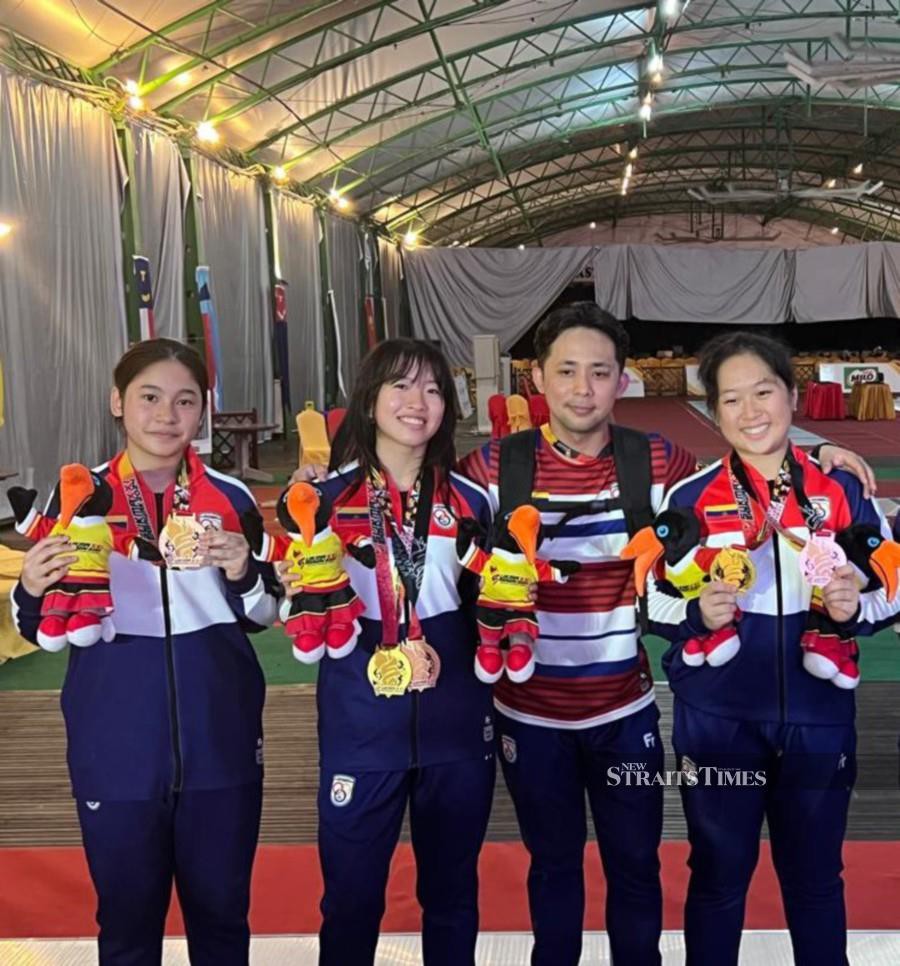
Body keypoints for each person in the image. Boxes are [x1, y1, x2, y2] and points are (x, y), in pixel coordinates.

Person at [456, 303, 877, 966]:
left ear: (621, 380)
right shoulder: (489, 467)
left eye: (599, 372)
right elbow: (416, 501)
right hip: (528, 712)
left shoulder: (658, 461)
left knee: (639, 868)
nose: (582, 387)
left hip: (625, 711)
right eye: (566, 371)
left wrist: (816, 450)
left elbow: (756, 463)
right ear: (537, 377)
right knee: (555, 868)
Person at [11, 338, 278, 966]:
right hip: (116, 750)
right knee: (127, 929)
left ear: (202, 411)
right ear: (117, 402)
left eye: (185, 401)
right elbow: (35, 625)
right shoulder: (74, 498)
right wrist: (28, 586)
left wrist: (244, 571)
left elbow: (265, 615)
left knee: (222, 921)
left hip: (222, 745)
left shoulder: (233, 499)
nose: (166, 416)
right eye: (149, 398)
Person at [646, 331, 900, 966]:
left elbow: (893, 586)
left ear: (792, 395)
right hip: (718, 725)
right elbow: (647, 600)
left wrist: (855, 609)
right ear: (714, 410)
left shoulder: (843, 490)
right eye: (731, 400)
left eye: (764, 392)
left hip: (818, 720)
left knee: (815, 881)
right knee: (718, 880)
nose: (750, 412)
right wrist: (694, 614)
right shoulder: (688, 499)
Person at [282, 338, 495, 966]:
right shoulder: (322, 501)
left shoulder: (471, 501)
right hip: (359, 720)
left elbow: (489, 599)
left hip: (454, 715)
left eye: (432, 389)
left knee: (453, 894)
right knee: (350, 900)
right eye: (400, 385)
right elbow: (292, 593)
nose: (417, 402)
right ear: (370, 401)